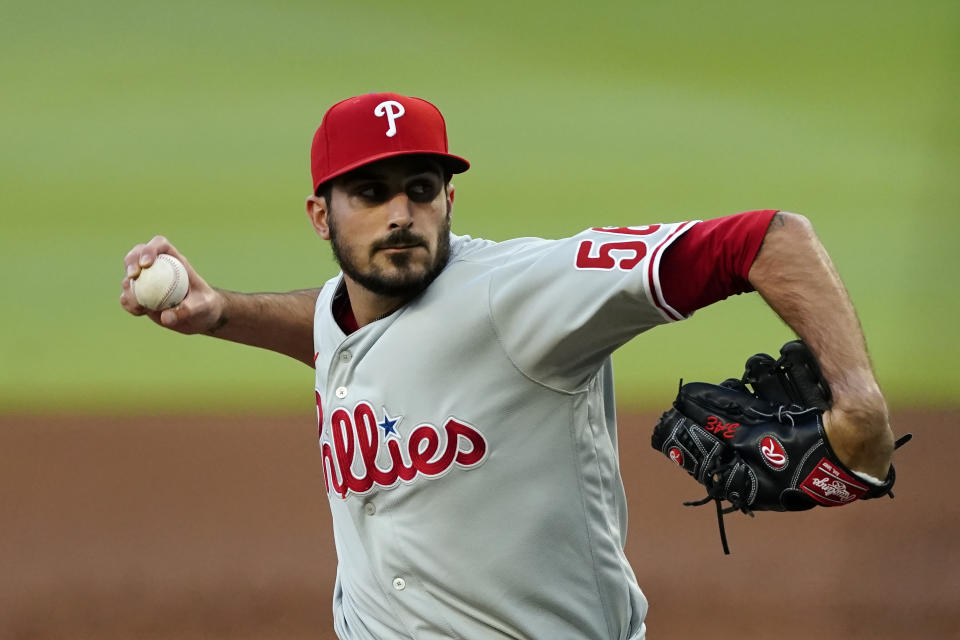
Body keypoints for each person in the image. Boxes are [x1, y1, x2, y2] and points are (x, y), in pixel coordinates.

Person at [120, 92, 895, 639]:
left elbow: (767, 239)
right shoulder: (349, 308)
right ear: (322, 214)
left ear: (450, 200)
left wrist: (858, 405)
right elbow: (341, 332)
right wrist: (221, 311)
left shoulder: (518, 296)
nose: (400, 213)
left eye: (421, 191)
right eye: (371, 192)